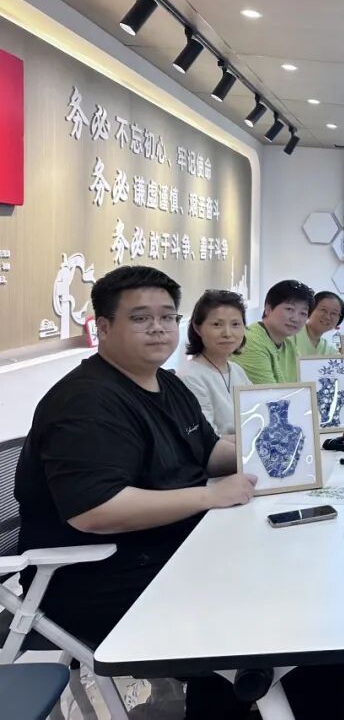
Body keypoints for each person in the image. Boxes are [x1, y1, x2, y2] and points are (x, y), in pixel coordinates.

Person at [14, 265, 258, 715]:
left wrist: (278, 457)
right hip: (100, 577)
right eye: (141, 318)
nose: (159, 328)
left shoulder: (167, 383)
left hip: (169, 550)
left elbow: (206, 453)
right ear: (103, 328)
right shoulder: (87, 402)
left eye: (167, 317)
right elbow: (97, 511)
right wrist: (210, 496)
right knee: (256, 613)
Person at [176, 289, 253, 436]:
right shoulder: (190, 377)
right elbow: (206, 438)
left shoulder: (236, 370)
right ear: (197, 328)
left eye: (236, 324)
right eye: (217, 324)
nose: (227, 333)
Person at [234, 279, 313, 383]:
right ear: (268, 309)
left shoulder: (290, 346)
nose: (296, 319)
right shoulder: (250, 341)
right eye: (289, 309)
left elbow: (304, 385)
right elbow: (269, 391)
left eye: (303, 313)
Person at [295, 290, 344, 356]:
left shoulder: (330, 351)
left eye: (334, 313)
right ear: (310, 309)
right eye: (323, 310)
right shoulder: (290, 335)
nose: (327, 317)